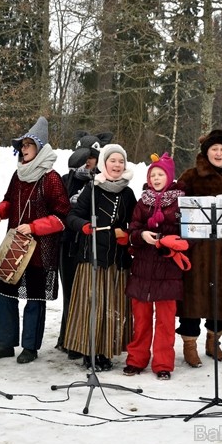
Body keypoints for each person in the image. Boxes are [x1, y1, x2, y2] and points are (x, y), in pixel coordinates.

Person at [0, 116, 70, 364]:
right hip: (15, 246)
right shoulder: (18, 174)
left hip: (40, 249)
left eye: (28, 145)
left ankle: (30, 347)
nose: (24, 149)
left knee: (34, 299)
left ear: (40, 148)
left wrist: (33, 227)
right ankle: (5, 343)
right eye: (22, 145)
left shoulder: (51, 178)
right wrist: (0, 211)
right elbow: (10, 200)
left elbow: (62, 216)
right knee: (6, 295)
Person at [64, 144, 137, 371]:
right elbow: (72, 215)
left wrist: (128, 235)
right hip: (93, 258)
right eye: (112, 161)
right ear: (104, 163)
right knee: (91, 306)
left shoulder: (127, 193)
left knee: (111, 307)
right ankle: (89, 350)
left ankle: (106, 350)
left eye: (120, 161)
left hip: (116, 260)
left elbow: (135, 223)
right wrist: (85, 226)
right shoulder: (92, 188)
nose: (117, 165)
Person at [176, 129, 222, 367]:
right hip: (196, 251)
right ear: (206, 151)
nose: (218, 153)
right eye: (214, 149)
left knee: (221, 301)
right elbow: (177, 211)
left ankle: (213, 342)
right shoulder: (191, 176)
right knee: (193, 299)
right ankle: (189, 345)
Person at [123, 152, 187, 380]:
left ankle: (162, 364)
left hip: (168, 270)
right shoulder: (143, 202)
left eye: (161, 174)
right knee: (140, 320)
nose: (157, 179)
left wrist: (167, 239)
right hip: (142, 269)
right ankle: (136, 360)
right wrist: (142, 235)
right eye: (153, 175)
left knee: (165, 322)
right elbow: (133, 228)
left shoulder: (181, 202)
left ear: (169, 177)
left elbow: (186, 234)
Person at [57, 130, 113, 360]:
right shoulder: (66, 179)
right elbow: (61, 209)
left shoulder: (103, 181)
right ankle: (67, 337)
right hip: (68, 244)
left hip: (91, 245)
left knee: (88, 295)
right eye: (84, 156)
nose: (88, 162)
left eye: (92, 157)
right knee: (70, 293)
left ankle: (84, 339)